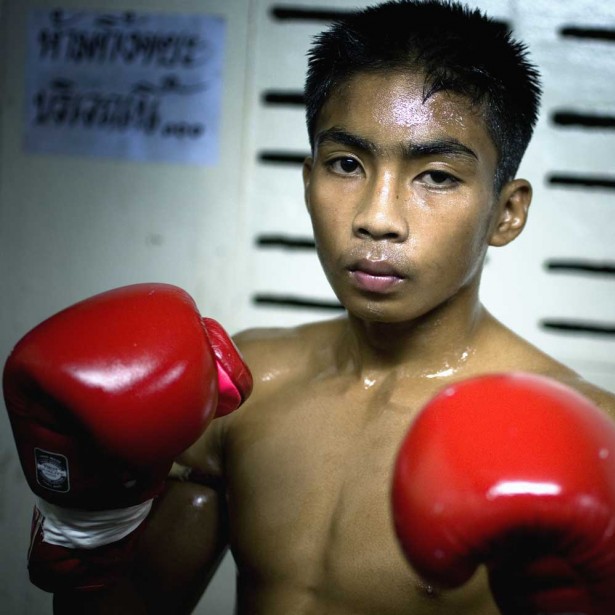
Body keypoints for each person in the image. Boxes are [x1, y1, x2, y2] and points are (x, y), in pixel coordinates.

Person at [6, 1, 615, 613]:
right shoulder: (243, 385)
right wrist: (88, 519)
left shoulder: (589, 437)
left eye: (435, 176)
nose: (377, 218)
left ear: (506, 213)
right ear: (307, 180)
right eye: (346, 164)